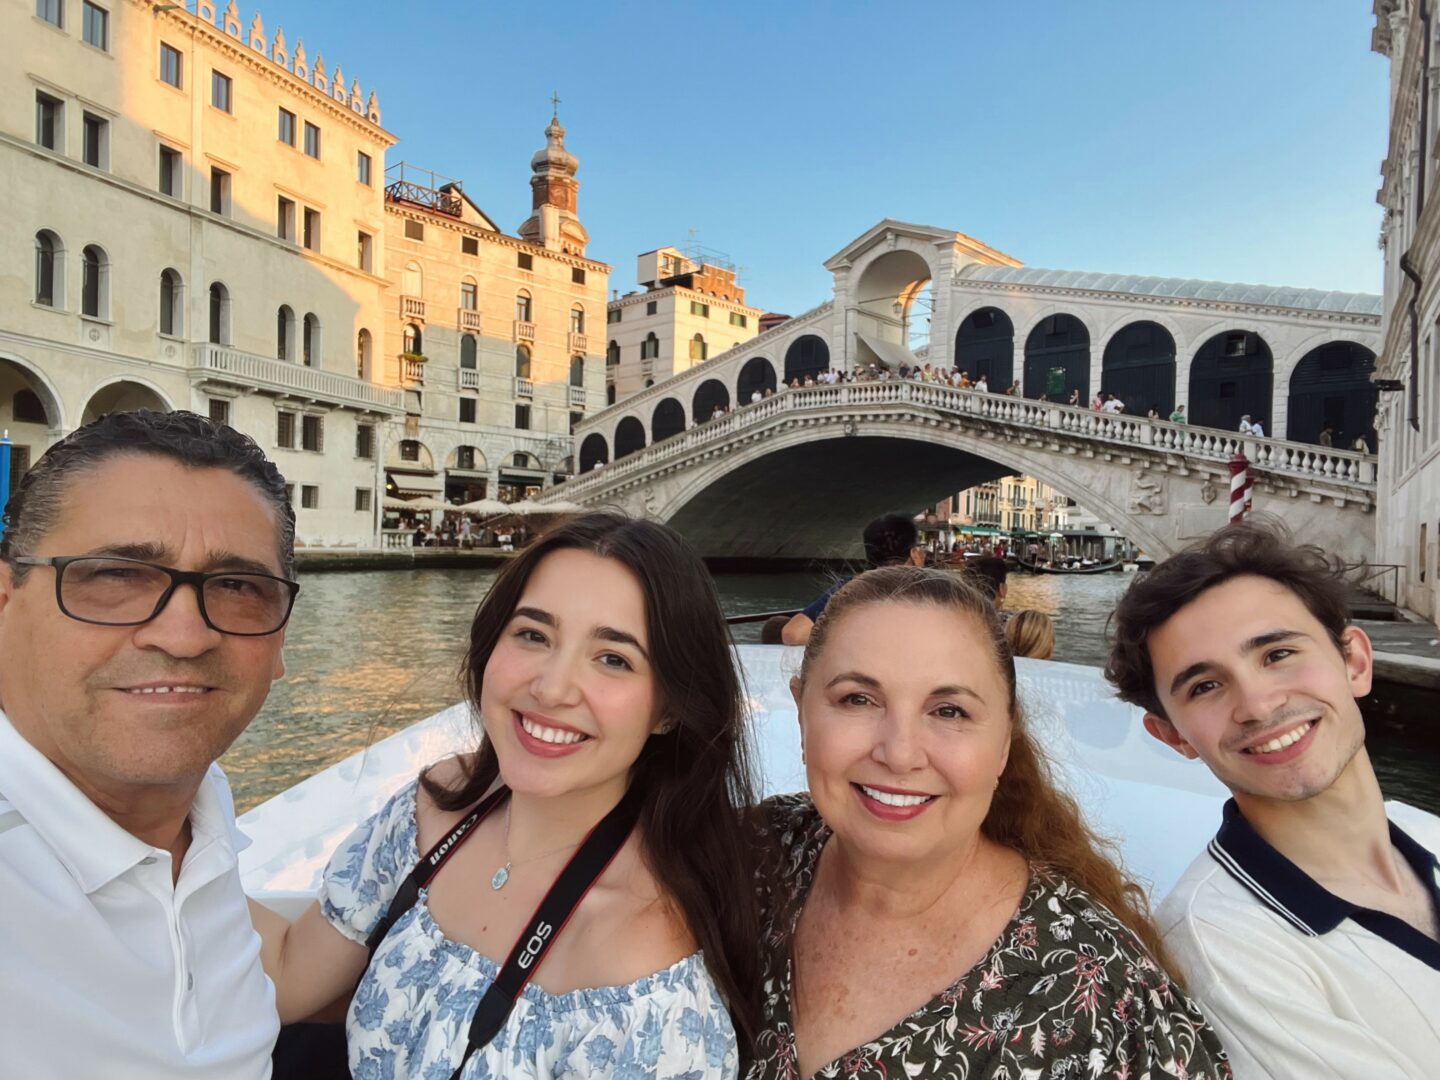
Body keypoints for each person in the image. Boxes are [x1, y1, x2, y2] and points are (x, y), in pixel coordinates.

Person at [248, 512, 759, 1077]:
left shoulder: (649, 987)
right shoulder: (436, 810)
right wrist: (175, 815)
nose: (552, 688)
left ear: (669, 710)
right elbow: (288, 975)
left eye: (614, 659)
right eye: (533, 635)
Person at [747, 567, 1230, 1079]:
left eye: (949, 711)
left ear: (1004, 742)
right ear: (800, 712)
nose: (900, 753)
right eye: (857, 700)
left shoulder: (1106, 999)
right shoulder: (747, 855)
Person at [0, 410, 299, 1077]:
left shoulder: (198, 814)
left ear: (280, 638)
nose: (184, 637)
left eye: (236, 587)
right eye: (115, 576)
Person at [1105, 522, 1440, 1078]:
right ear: (1173, 736)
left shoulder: (1424, 829)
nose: (1258, 705)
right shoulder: (1222, 956)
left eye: (1278, 653)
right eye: (1205, 686)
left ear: (1355, 662)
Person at [781, 513, 924, 646]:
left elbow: (792, 634)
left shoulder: (851, 587)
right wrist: (920, 572)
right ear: (914, 553)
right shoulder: (926, 588)